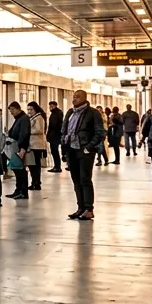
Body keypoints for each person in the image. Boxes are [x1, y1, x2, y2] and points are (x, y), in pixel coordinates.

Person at [63, 90, 106, 221]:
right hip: (71, 149)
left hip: (84, 150)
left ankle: (88, 209)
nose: (74, 99)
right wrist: (64, 144)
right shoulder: (70, 112)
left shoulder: (93, 113)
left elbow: (101, 133)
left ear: (84, 98)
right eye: (73, 97)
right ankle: (80, 207)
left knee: (85, 179)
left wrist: (89, 147)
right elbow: (64, 129)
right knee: (76, 180)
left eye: (77, 97)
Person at [5, 102, 31, 200]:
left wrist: (22, 148)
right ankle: (18, 190)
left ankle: (23, 192)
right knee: (16, 169)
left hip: (19, 147)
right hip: (15, 146)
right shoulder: (19, 118)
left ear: (17, 108)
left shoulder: (24, 118)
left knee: (20, 170)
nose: (11, 112)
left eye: (12, 109)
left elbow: (24, 134)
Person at [26, 101, 48, 191]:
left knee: (35, 165)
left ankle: (37, 182)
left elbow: (39, 130)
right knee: (32, 165)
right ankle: (34, 182)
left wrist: (28, 131)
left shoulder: (39, 118)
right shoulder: (33, 117)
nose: (29, 111)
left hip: (37, 145)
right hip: (33, 145)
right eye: (28, 109)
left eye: (31, 109)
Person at [47, 100, 64, 172]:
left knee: (54, 151)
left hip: (55, 135)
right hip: (53, 135)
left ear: (55, 106)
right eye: (50, 106)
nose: (50, 107)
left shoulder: (57, 113)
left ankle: (57, 167)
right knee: (54, 151)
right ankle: (56, 166)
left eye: (52, 106)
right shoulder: (54, 113)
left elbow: (55, 125)